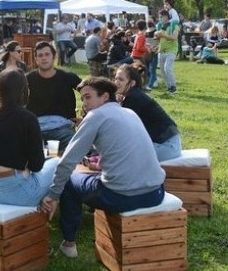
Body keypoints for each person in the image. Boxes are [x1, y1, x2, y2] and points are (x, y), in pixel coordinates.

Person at [39, 76, 166, 259]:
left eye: (88, 97)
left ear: (105, 97)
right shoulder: (129, 113)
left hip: (122, 196)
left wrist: (53, 195)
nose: (84, 103)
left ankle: (69, 244)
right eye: (82, 98)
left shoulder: (96, 116)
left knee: (68, 183)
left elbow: (67, 162)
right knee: (87, 176)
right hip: (155, 193)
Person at [0, 68, 60, 206]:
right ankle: (56, 209)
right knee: (57, 162)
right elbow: (36, 166)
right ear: (24, 90)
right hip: (16, 193)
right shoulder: (28, 118)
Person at [113, 65, 181, 161]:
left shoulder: (133, 98)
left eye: (121, 79)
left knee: (122, 155)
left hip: (167, 146)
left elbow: (121, 128)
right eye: (115, 79)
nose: (116, 83)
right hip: (168, 144)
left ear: (132, 83)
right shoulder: (133, 95)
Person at [25, 41, 81, 153]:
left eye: (47, 54)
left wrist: (86, 116)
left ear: (54, 56)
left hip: (62, 128)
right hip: (35, 129)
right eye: (40, 55)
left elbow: (90, 91)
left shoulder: (68, 77)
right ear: (36, 59)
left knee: (78, 148)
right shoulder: (27, 80)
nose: (44, 58)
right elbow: (13, 101)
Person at [155, 9, 179, 94]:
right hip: (162, 51)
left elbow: (174, 37)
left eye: (161, 17)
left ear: (166, 16)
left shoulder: (174, 25)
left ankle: (173, 87)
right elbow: (160, 40)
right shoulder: (160, 26)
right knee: (163, 71)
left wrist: (163, 35)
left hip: (171, 50)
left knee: (167, 68)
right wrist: (157, 45)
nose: (160, 18)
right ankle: (169, 87)